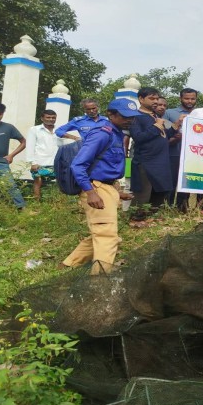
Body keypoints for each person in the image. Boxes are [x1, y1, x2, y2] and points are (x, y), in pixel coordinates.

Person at [60, 99, 140, 274]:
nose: (130, 120)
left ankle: (69, 264)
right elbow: (78, 165)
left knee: (102, 231)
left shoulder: (117, 133)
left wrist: (117, 192)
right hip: (96, 187)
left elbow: (109, 167)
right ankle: (99, 280)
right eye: (125, 116)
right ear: (111, 115)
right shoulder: (102, 133)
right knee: (107, 236)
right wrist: (91, 192)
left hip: (108, 187)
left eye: (132, 117)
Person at [129, 87, 178, 219]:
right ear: (141, 99)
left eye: (157, 98)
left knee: (162, 189)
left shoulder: (155, 116)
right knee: (143, 193)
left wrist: (175, 126)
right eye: (152, 98)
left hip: (161, 161)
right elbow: (138, 137)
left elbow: (162, 136)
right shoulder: (135, 116)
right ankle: (136, 219)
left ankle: (151, 217)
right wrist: (156, 126)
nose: (155, 101)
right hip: (146, 161)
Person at [162, 88, 198, 211]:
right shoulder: (169, 113)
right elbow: (165, 132)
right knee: (171, 183)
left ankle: (182, 208)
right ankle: (167, 208)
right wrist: (177, 127)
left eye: (192, 98)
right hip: (174, 153)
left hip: (192, 156)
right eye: (187, 98)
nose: (190, 101)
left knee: (186, 183)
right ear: (180, 98)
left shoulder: (199, 114)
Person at [26, 110, 65, 201]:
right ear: (42, 118)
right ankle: (37, 203)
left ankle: (58, 203)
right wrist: (33, 162)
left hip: (56, 162)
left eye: (53, 118)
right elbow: (30, 146)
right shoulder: (34, 130)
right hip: (39, 162)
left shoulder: (59, 131)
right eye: (48, 117)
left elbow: (62, 147)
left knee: (59, 183)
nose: (51, 119)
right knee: (38, 182)